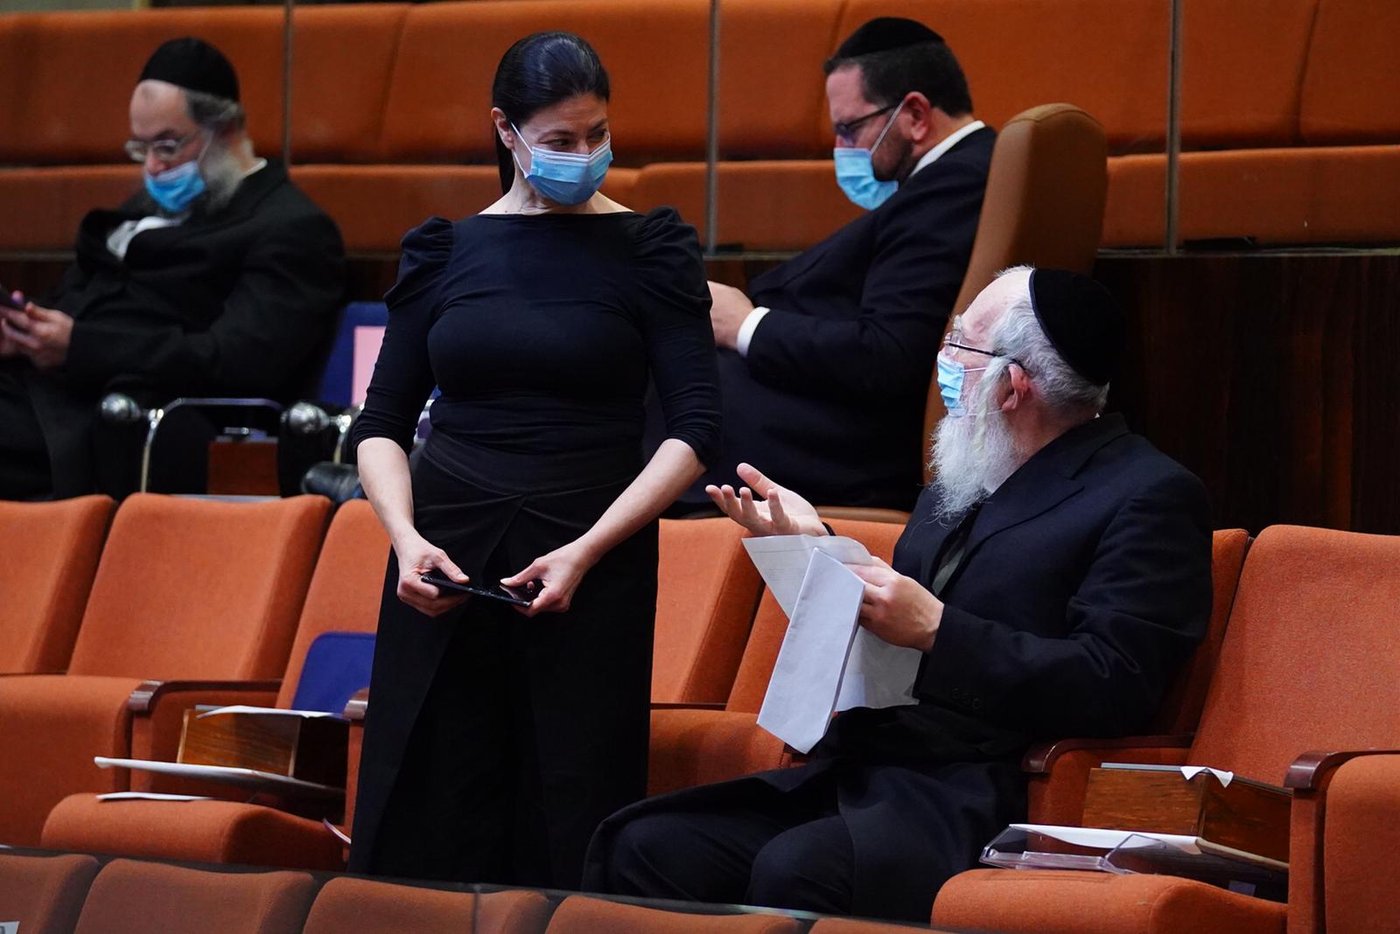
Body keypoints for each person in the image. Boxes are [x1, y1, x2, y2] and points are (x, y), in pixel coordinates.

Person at [585, 267, 1212, 922]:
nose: (944, 361)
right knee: (647, 847)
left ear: (1012, 385)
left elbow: (1113, 683)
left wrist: (941, 633)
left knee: (797, 869)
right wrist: (819, 549)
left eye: (962, 344)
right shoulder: (966, 475)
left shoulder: (1147, 494)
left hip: (985, 791)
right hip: (870, 770)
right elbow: (900, 620)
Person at [346, 32, 722, 891]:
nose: (584, 155)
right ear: (505, 131)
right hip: (441, 558)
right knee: (427, 807)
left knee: (570, 804)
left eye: (597, 134)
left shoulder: (651, 247)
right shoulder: (445, 249)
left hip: (590, 555)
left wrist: (587, 551)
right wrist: (404, 539)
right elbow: (381, 424)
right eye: (560, 140)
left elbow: (697, 429)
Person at [0, 37, 345, 501]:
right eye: (141, 149)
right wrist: (25, 332)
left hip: (117, 419)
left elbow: (236, 362)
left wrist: (79, 347)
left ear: (226, 128)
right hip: (42, 394)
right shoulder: (139, 211)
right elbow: (77, 304)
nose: (154, 167)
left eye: (167, 146)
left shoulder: (291, 228)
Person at [690, 16, 995, 512]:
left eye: (849, 129)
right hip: (818, 407)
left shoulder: (953, 186)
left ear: (915, 115)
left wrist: (744, 325)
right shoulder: (964, 173)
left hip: (849, 441)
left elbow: (888, 355)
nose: (840, 151)